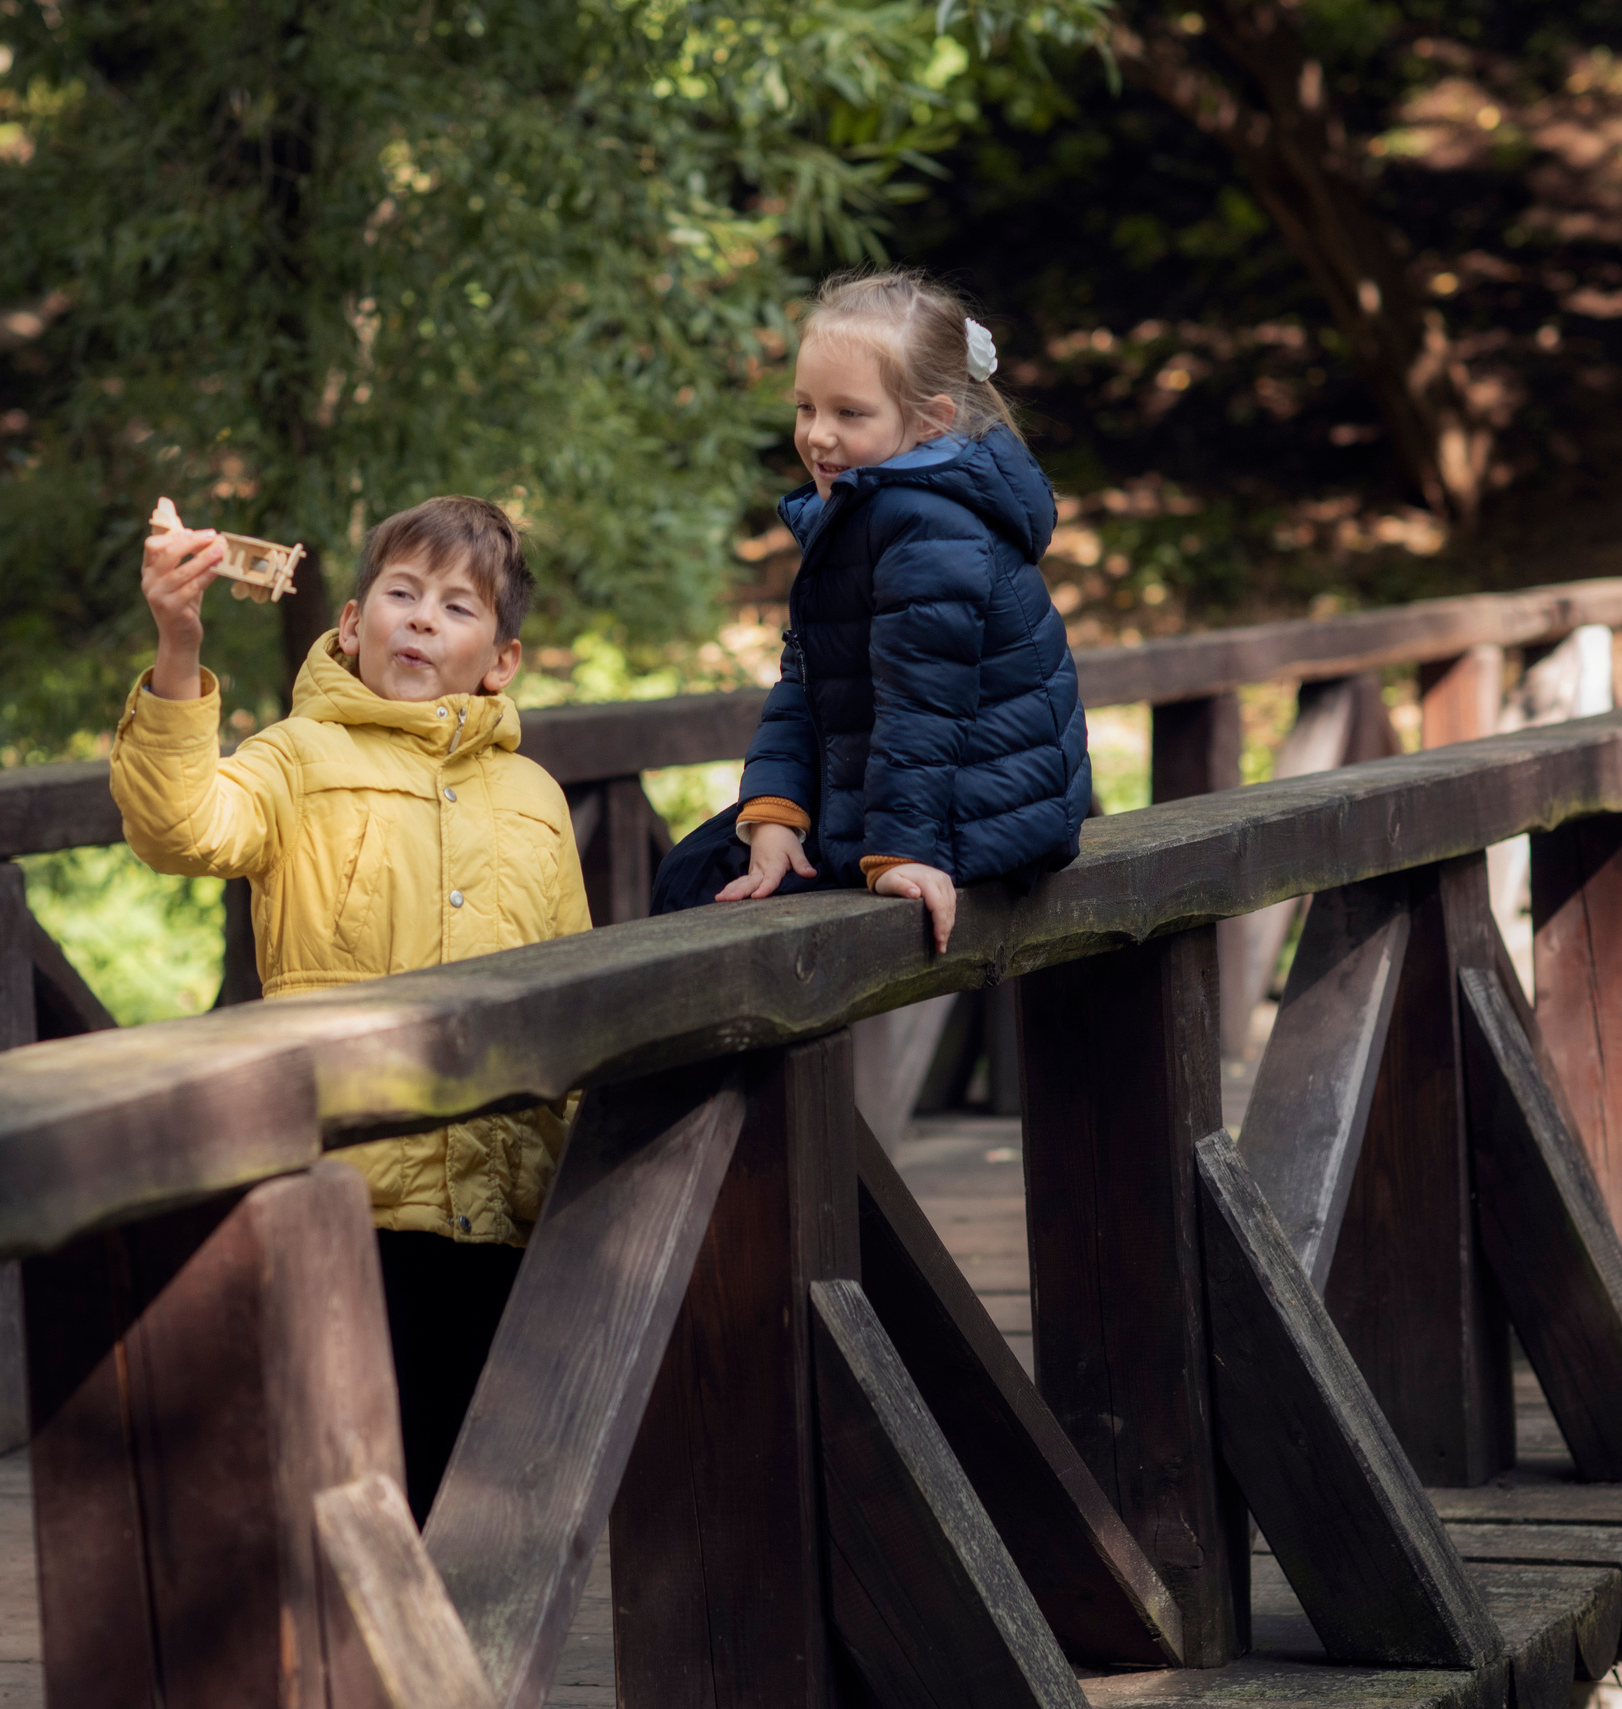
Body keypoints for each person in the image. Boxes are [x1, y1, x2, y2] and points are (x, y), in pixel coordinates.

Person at [109, 493, 588, 1520]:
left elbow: (576, 1006)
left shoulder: (536, 798)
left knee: (479, 1496)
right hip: (343, 1190)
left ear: (500, 659)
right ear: (350, 623)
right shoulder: (297, 758)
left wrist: (592, 1191)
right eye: (400, 593)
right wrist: (179, 643)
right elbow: (180, 828)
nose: (420, 618)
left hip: (500, 1199)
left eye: (457, 607)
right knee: (348, 1489)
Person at [652, 269, 1091, 949]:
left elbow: (924, 706)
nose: (818, 436)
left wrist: (899, 853)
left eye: (848, 413)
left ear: (930, 420)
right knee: (700, 870)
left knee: (702, 894)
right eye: (805, 408)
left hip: (982, 811)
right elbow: (812, 680)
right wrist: (776, 808)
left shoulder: (926, 526)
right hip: (914, 797)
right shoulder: (863, 508)